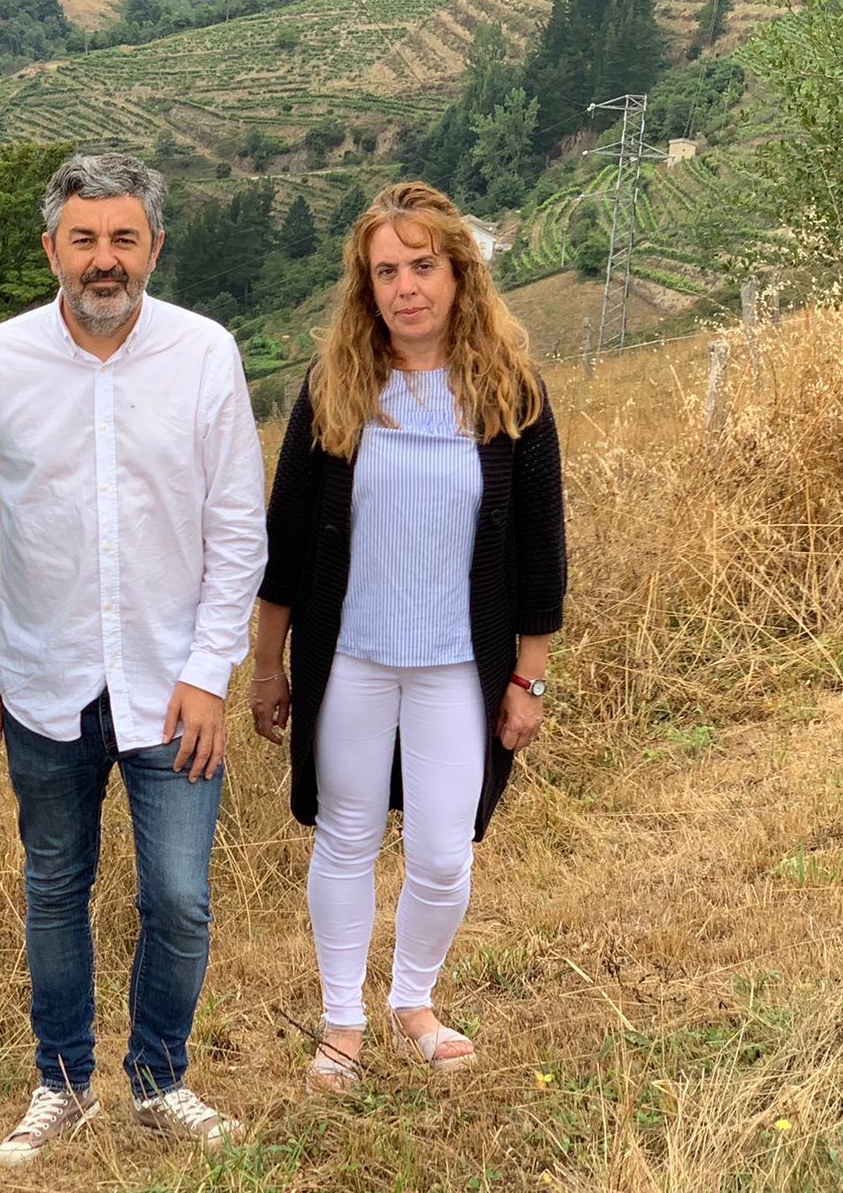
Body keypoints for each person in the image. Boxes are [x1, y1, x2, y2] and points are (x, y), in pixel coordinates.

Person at [0, 154, 267, 1170]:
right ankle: (62, 1083)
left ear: (154, 247)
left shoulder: (204, 355)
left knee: (176, 894)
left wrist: (211, 671)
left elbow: (235, 529)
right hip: (44, 683)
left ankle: (161, 1079)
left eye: (123, 238)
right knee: (53, 889)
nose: (103, 259)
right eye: (83, 239)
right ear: (50, 250)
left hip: (174, 690)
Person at [248, 181, 566, 1092]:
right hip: (349, 659)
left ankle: (413, 1002)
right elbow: (288, 542)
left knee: (440, 847)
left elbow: (542, 550)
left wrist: (527, 680)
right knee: (345, 835)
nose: (405, 287)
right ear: (366, 286)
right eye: (386, 271)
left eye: (423, 266)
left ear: (459, 275)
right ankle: (342, 1021)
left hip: (458, 670)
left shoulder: (512, 394)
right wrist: (270, 670)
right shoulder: (335, 390)